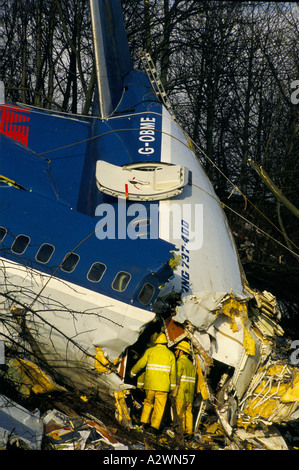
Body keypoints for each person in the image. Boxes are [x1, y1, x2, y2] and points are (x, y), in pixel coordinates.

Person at [130, 332, 176, 434]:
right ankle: (153, 428)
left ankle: (143, 423)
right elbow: (173, 373)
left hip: (150, 385)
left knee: (148, 403)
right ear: (165, 342)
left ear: (156, 342)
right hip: (163, 387)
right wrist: (172, 387)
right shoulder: (170, 355)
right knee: (159, 407)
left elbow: (140, 364)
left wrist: (132, 373)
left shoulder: (150, 351)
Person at [173, 340, 196, 436]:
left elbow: (176, 378)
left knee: (179, 414)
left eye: (177, 350)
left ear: (181, 352)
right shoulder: (191, 365)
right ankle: (189, 433)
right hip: (190, 395)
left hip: (181, 394)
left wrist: (173, 392)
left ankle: (180, 433)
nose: (175, 352)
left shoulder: (180, 362)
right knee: (188, 413)